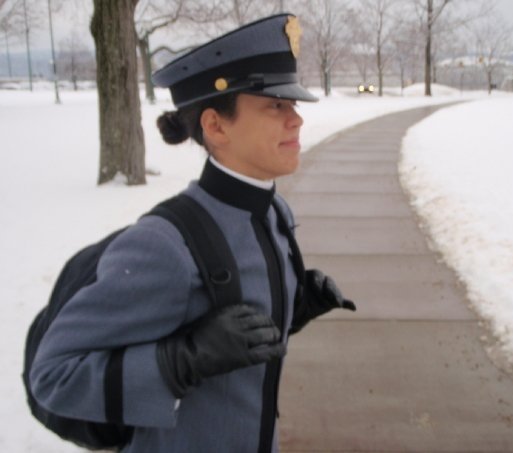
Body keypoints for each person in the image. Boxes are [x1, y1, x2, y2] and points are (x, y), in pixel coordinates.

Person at [29, 13, 355, 453]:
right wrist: (178, 362)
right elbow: (53, 376)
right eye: (275, 105)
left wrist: (293, 307)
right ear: (216, 126)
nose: (295, 119)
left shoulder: (273, 213)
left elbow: (231, 346)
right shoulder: (165, 246)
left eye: (292, 104)